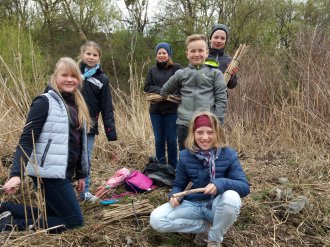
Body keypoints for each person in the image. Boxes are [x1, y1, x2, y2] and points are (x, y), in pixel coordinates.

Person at [0, 57, 90, 233]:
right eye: (65, 75)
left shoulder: (77, 104)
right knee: (74, 222)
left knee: (53, 216)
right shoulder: (44, 102)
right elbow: (27, 139)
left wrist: (81, 174)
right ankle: (9, 225)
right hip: (47, 173)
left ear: (79, 79)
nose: (69, 79)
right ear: (55, 77)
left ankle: (4, 209)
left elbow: (78, 144)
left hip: (62, 172)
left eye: (74, 76)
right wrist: (16, 174)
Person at [149, 111, 250, 247]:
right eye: (200, 132)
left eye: (210, 132)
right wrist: (174, 196)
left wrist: (220, 184)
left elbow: (244, 187)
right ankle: (206, 228)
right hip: (192, 205)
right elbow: (179, 184)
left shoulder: (228, 154)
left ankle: (214, 240)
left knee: (232, 197)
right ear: (193, 133)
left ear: (217, 133)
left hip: (216, 207)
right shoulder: (185, 156)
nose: (205, 137)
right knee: (156, 219)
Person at [160, 34, 227, 151]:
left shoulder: (215, 73)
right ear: (187, 54)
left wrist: (217, 120)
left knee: (206, 158)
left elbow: (221, 98)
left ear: (207, 52)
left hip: (206, 125)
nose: (197, 54)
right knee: (186, 158)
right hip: (184, 124)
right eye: (193, 51)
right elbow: (164, 90)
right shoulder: (181, 74)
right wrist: (179, 95)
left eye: (200, 51)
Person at [78, 41, 117, 201]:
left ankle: (84, 191)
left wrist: (111, 132)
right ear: (82, 55)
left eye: (95, 55)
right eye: (88, 54)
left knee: (85, 158)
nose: (91, 57)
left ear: (99, 58)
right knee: (68, 157)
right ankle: (65, 189)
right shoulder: (72, 74)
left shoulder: (102, 79)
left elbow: (107, 107)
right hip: (69, 123)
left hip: (89, 124)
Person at [144, 42, 182, 168]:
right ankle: (160, 167)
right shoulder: (152, 70)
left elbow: (181, 86)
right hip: (156, 111)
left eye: (164, 53)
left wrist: (170, 93)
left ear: (169, 54)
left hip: (172, 111)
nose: (161, 55)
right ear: (156, 55)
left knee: (171, 140)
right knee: (159, 139)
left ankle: (173, 167)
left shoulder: (177, 68)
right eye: (159, 53)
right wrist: (163, 91)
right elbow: (147, 87)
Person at [208, 24, 238, 89]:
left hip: (221, 98)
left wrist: (231, 77)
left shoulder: (229, 60)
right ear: (210, 39)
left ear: (225, 41)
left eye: (222, 38)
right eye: (216, 37)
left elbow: (232, 86)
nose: (219, 41)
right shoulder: (202, 57)